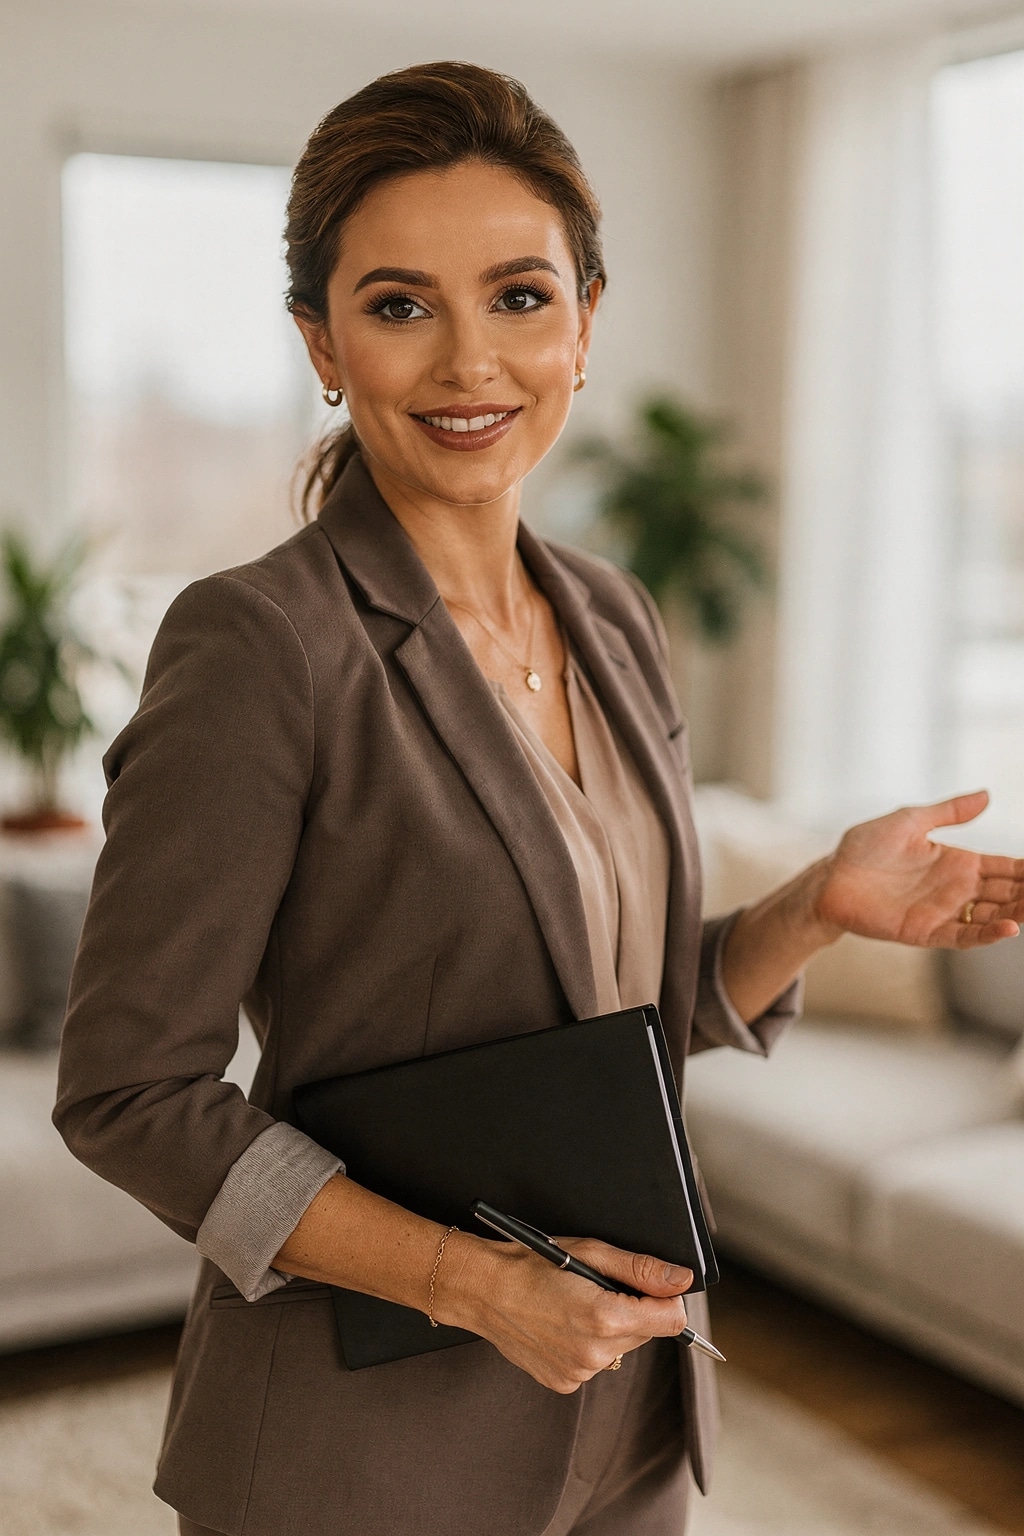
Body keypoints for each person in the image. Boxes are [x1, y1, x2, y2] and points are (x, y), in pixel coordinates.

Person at [53, 61, 1024, 1536]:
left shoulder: (615, 618)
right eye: (397, 306)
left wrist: (817, 908)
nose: (469, 365)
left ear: (585, 324)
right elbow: (131, 1092)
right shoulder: (260, 645)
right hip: (361, 1456)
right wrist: (473, 1285)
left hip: (622, 1422)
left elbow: (622, 1012)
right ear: (321, 340)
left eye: (518, 297)